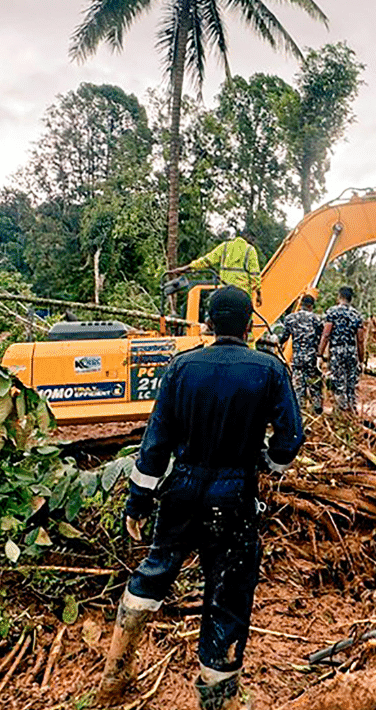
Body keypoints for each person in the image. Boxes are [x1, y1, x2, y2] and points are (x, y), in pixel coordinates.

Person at [95, 286, 303, 710]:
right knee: (228, 594)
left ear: (208, 323)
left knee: (154, 569)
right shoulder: (269, 369)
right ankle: (217, 702)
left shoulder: (180, 368)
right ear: (248, 325)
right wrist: (269, 462)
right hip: (235, 494)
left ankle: (115, 671)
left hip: (182, 490)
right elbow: (290, 438)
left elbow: (155, 444)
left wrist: (138, 500)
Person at [168, 227, 262, 303]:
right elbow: (255, 275)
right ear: (249, 237)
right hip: (242, 294)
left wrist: (188, 267)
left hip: (224, 291)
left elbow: (206, 260)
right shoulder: (250, 250)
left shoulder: (225, 246)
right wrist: (258, 294)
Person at [317, 286, 365, 414]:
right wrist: (361, 360)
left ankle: (341, 415)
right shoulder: (356, 315)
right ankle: (352, 413)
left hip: (337, 353)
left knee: (338, 384)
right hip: (351, 353)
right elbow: (360, 340)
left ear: (339, 297)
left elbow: (326, 335)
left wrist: (319, 355)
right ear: (351, 299)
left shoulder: (332, 312)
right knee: (350, 386)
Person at [278, 295, 324, 413]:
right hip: (312, 359)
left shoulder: (290, 319)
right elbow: (321, 338)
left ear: (301, 304)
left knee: (298, 389)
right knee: (315, 387)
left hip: (297, 359)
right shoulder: (317, 319)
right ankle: (317, 413)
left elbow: (283, 338)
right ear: (311, 306)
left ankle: (299, 415)